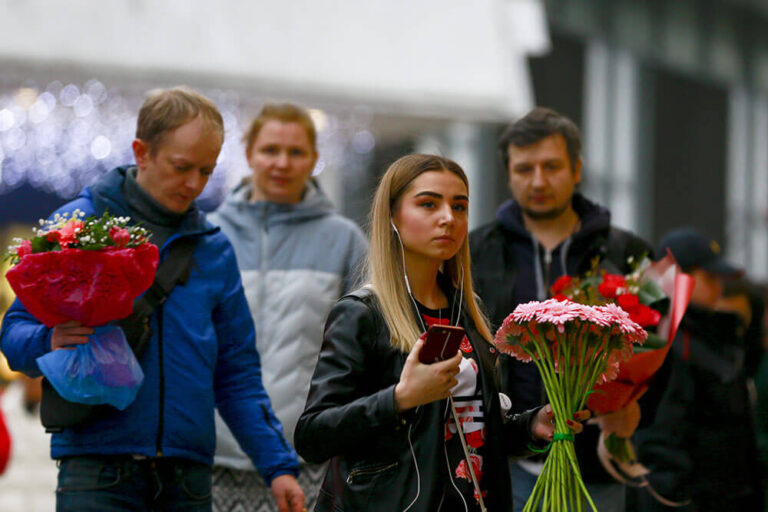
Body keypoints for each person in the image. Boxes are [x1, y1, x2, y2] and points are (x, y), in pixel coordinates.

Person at [0, 87, 304, 512]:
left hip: (187, 479)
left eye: (206, 170)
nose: (194, 184)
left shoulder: (213, 249)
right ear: (141, 152)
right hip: (97, 471)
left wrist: (278, 466)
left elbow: (237, 375)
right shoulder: (76, 226)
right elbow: (14, 332)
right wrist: (48, 340)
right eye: (182, 167)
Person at [294, 154, 588, 511]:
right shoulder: (362, 314)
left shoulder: (466, 311)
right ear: (393, 216)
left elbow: (468, 433)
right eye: (429, 204)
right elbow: (312, 436)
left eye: (459, 206)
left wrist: (530, 427)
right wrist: (400, 399)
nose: (448, 218)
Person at [469, 107, 652, 512]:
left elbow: (657, 354)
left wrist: (635, 409)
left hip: (597, 470)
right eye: (524, 168)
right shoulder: (474, 254)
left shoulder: (627, 253)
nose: (538, 181)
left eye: (551, 166)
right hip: (503, 465)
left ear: (577, 169)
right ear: (508, 174)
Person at [208, 103, 367, 512]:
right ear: (249, 154)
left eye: (296, 152)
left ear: (313, 159)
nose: (282, 163)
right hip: (216, 451)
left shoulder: (345, 241)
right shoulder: (210, 236)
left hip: (307, 457)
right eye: (270, 150)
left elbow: (367, 347)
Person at [632, 228, 763, 512]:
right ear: (678, 277)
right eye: (710, 278)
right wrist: (674, 501)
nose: (719, 288)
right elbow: (661, 439)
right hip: (690, 501)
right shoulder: (665, 343)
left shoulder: (710, 337)